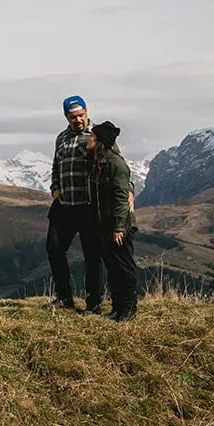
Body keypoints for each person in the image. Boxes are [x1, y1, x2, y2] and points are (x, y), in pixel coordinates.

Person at [48, 95, 105, 313]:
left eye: (81, 115)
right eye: (73, 117)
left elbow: (113, 163)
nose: (78, 120)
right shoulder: (61, 138)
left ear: (87, 112)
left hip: (88, 206)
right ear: (66, 117)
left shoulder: (97, 135)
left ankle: (94, 303)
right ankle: (64, 297)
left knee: (92, 256)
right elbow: (55, 166)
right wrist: (55, 188)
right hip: (64, 205)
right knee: (54, 250)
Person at [89, 120, 139, 322]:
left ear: (101, 142)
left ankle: (128, 308)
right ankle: (118, 307)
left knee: (124, 268)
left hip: (119, 227)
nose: (88, 142)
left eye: (91, 139)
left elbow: (121, 197)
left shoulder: (116, 164)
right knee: (113, 267)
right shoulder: (99, 162)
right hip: (106, 226)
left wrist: (119, 228)